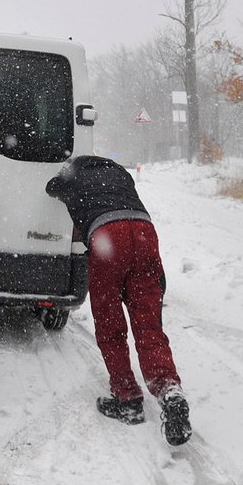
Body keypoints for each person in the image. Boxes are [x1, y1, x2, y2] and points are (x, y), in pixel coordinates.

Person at [45, 155, 192, 446]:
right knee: (148, 324)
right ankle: (168, 389)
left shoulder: (73, 173)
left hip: (108, 237)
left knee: (110, 322)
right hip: (145, 232)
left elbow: (51, 188)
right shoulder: (120, 174)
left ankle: (127, 398)